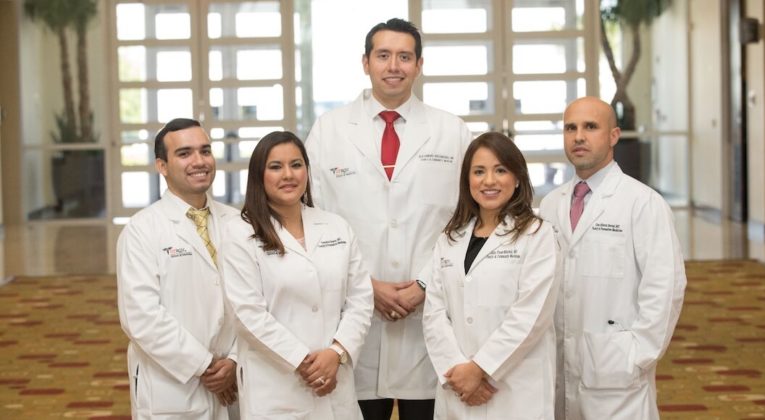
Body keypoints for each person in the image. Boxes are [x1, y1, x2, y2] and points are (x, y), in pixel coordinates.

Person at [305, 17, 473, 420]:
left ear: (418, 64)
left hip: (429, 316)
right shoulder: (329, 131)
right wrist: (365, 286)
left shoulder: (451, 131)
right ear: (365, 62)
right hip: (354, 318)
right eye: (383, 56)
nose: (393, 66)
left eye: (404, 56)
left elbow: (468, 221)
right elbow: (313, 221)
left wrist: (424, 284)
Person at [540, 97, 687, 420]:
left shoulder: (643, 203)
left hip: (618, 374)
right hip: (559, 371)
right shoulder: (551, 204)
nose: (578, 136)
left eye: (590, 127)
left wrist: (637, 356)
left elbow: (665, 288)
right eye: (570, 128)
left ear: (614, 136)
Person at [220, 131, 373, 419]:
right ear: (258, 176)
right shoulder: (240, 233)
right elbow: (248, 314)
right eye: (275, 167)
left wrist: (336, 353)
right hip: (277, 384)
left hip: (335, 377)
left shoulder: (336, 226)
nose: (288, 175)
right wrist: (306, 363)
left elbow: (361, 299)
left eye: (296, 164)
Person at [423, 132, 561, 419]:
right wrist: (458, 370)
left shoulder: (537, 235)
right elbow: (434, 313)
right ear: (467, 180)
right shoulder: (450, 238)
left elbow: (531, 316)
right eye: (479, 172)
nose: (489, 181)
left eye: (500, 170)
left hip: (514, 389)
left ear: (518, 178)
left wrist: (480, 369)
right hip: (457, 384)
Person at [117, 118, 239, 419]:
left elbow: (257, 299)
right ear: (162, 166)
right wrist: (206, 367)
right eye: (184, 153)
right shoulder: (142, 230)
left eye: (205, 151)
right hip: (171, 386)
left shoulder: (237, 223)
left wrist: (235, 360)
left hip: (235, 377)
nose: (199, 161)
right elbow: (141, 317)